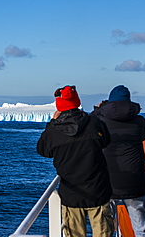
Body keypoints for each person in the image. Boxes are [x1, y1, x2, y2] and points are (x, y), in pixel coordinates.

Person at [37, 85, 114, 237]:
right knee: (103, 232)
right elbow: (106, 141)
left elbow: (43, 151)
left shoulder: (53, 131)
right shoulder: (95, 123)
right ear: (77, 101)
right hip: (98, 189)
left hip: (71, 193)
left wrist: (51, 123)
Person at [91, 85, 145, 237]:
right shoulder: (139, 121)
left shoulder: (99, 120)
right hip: (134, 182)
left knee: (105, 229)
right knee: (142, 230)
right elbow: (144, 136)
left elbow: (88, 126)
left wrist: (98, 109)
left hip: (107, 182)